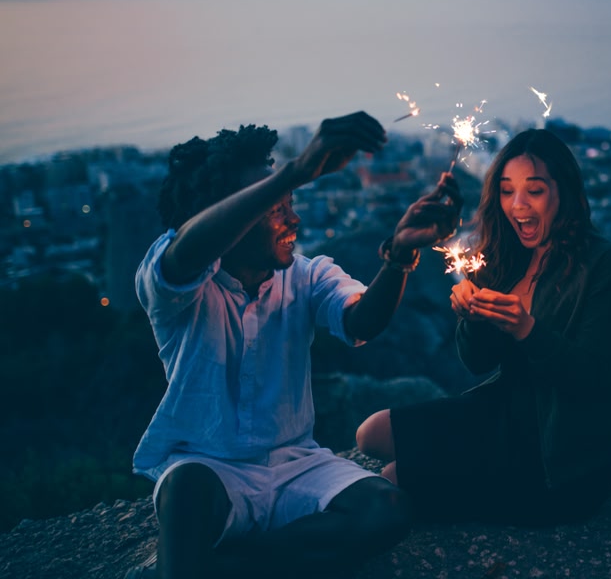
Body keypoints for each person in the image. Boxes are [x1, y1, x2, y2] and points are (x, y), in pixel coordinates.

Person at [126, 112, 463, 579]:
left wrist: (402, 251)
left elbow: (361, 320)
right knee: (183, 492)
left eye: (291, 202)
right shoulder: (175, 287)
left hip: (295, 465)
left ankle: (219, 568)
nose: (295, 217)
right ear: (236, 218)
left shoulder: (306, 275)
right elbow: (186, 253)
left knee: (386, 508)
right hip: (207, 469)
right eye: (277, 207)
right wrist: (296, 169)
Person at [355, 129, 611, 524]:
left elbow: (590, 378)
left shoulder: (607, 265)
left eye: (534, 191)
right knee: (369, 434)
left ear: (565, 192)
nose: (518, 205)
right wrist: (471, 320)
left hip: (563, 454)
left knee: (394, 481)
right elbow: (477, 362)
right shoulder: (504, 257)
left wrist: (527, 330)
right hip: (502, 411)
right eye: (507, 191)